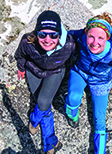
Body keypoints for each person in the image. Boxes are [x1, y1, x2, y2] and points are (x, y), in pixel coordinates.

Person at [64, 12, 112, 154]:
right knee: (72, 98)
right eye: (91, 37)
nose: (95, 43)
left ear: (107, 38)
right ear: (86, 33)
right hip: (80, 73)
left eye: (101, 38)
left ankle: (100, 151)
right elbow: (69, 34)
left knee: (99, 120)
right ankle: (72, 115)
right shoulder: (82, 37)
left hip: (100, 82)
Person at [15, 10, 76, 154]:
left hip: (55, 72)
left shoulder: (69, 45)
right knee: (44, 104)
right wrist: (21, 67)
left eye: (53, 35)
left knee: (42, 102)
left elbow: (82, 54)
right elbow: (20, 54)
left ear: (59, 35)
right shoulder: (27, 41)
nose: (47, 39)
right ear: (37, 34)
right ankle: (50, 141)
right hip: (33, 70)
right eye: (42, 34)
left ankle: (34, 120)